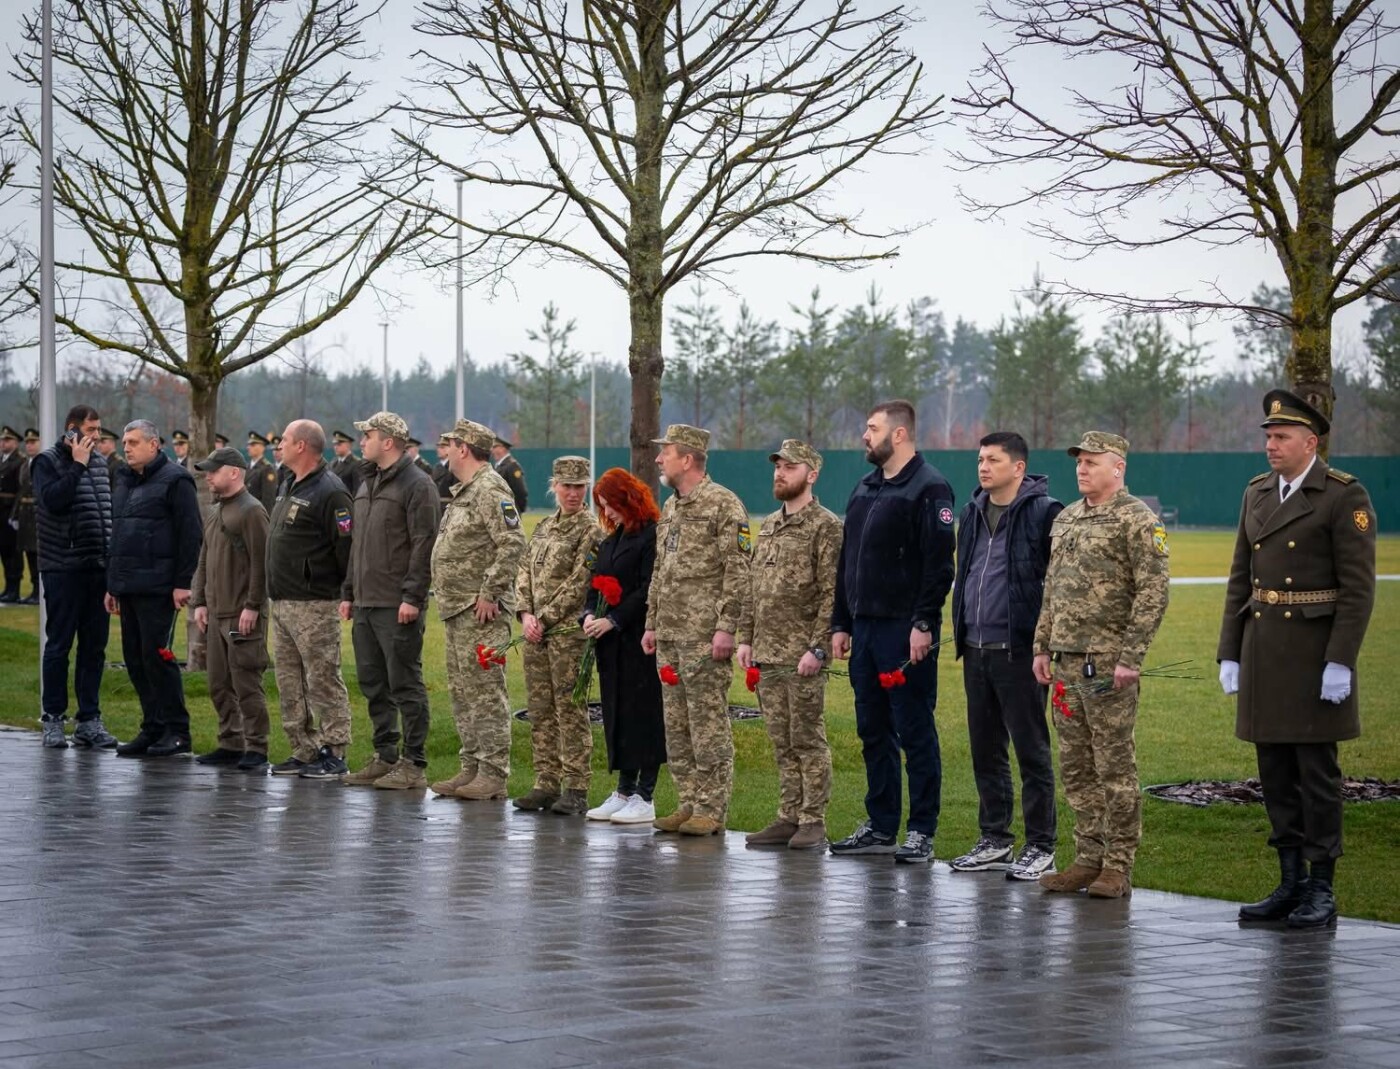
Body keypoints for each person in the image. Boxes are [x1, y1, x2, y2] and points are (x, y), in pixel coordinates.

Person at [1218, 390, 1377, 929]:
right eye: (1268, 436)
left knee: (1316, 775)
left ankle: (1321, 888)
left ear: (1311, 443)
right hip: (1264, 651)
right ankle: (1289, 882)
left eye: (1282, 437)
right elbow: (1240, 577)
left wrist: (1341, 661)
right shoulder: (1257, 492)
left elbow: (1358, 589)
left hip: (1313, 657)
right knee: (1275, 772)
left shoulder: (1342, 495)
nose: (1271, 445)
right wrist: (1230, 651)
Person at [1033, 431, 1170, 899]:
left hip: (1109, 664)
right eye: (1079, 461)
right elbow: (1052, 588)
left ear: (1118, 467)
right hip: (1066, 663)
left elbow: (1153, 592)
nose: (1082, 468)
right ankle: (1087, 858)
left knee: (1114, 767)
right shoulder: (1068, 517)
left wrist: (1131, 657)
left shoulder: (1137, 519)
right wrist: (1041, 647)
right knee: (1076, 767)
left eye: (1092, 461)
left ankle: (1117, 866)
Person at [829, 401, 956, 863]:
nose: (865, 436)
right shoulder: (865, 486)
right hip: (863, 629)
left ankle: (921, 830)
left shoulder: (930, 487)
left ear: (898, 434)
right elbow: (848, 560)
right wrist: (841, 622)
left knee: (914, 729)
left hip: (904, 632)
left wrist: (923, 622)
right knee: (873, 730)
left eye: (872, 428)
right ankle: (881, 825)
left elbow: (939, 565)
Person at [949, 431, 1063, 881]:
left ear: (1018, 467)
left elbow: (1057, 585)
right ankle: (995, 839)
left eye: (993, 460)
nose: (983, 467)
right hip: (976, 648)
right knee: (986, 750)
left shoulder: (1045, 512)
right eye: (980, 459)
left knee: (1031, 751)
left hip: (1020, 651)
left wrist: (1044, 643)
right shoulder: (971, 511)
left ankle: (1042, 846)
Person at [642, 424, 751, 836]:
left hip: (704, 636)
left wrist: (726, 627)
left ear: (687, 460)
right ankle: (688, 801)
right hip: (670, 634)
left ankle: (711, 807)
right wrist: (651, 622)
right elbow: (661, 569)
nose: (658, 459)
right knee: (677, 726)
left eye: (666, 452)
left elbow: (738, 571)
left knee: (707, 724)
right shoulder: (671, 506)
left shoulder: (724, 504)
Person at [736, 440, 843, 851]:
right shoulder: (769, 525)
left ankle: (813, 820)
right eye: (778, 467)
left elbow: (831, 593)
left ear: (811, 475)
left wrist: (818, 648)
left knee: (807, 740)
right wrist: (746, 638)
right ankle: (788, 815)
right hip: (767, 653)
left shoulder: (825, 526)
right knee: (781, 741)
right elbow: (753, 587)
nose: (780, 473)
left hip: (802, 655)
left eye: (790, 467)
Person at [427, 419, 528, 802]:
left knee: (485, 692)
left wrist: (490, 592)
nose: (446, 452)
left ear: (464, 449)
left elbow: (512, 542)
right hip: (458, 608)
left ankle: (493, 773)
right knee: (463, 691)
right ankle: (471, 765)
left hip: (480, 610)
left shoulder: (490, 488)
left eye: (450, 445)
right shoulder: (467, 490)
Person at [339, 411, 438, 790]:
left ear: (389, 442)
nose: (362, 441)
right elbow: (358, 544)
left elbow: (424, 545)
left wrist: (412, 596)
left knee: (404, 683)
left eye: (369, 435)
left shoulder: (417, 485)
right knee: (373, 683)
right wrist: (349, 592)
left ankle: (414, 763)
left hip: (397, 604)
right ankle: (385, 755)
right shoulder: (368, 481)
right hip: (366, 601)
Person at [108, 420, 203, 757]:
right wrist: (112, 584)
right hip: (129, 585)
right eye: (124, 442)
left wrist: (182, 583)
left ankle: (177, 731)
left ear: (153, 444)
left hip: (160, 587)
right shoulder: (123, 479)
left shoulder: (176, 480)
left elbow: (191, 534)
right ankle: (153, 726)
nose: (126, 448)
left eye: (133, 442)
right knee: (134, 659)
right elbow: (119, 534)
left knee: (157, 657)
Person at [266, 420, 356, 780]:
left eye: (285, 440)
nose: (279, 445)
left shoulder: (330, 491)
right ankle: (303, 749)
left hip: (314, 603)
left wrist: (342, 591)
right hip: (283, 600)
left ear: (302, 446)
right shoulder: (289, 483)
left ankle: (335, 751)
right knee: (289, 682)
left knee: (322, 677)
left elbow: (345, 548)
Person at [513, 456, 600, 815]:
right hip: (536, 633)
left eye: (579, 486)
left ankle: (576, 786)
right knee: (540, 709)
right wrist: (525, 613)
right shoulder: (545, 526)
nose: (573, 493)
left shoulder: (591, 530)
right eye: (566, 486)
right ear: (555, 487)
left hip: (566, 634)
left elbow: (581, 582)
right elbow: (524, 570)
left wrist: (544, 618)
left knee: (570, 709)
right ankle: (545, 782)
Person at [583, 468, 667, 825]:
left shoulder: (651, 536)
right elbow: (596, 582)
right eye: (602, 506)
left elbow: (648, 587)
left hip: (638, 639)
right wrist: (589, 614)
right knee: (619, 714)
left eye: (611, 505)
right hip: (610, 644)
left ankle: (644, 795)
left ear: (628, 500)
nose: (608, 513)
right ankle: (623, 789)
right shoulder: (611, 540)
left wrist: (615, 619)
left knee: (643, 715)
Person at [31, 406, 117, 749]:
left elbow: (105, 512)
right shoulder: (46, 462)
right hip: (63, 567)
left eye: (98, 429)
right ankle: (53, 718)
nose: (97, 435)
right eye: (91, 429)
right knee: (59, 645)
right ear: (72, 429)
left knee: (94, 647)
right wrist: (77, 465)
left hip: (97, 567)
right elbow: (52, 501)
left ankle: (89, 721)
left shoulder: (100, 463)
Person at [189, 447, 271, 770]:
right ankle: (231, 742)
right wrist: (199, 602)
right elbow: (204, 559)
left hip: (241, 614)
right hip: (216, 613)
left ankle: (257, 747)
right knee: (218, 683)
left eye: (214, 470)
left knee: (246, 683)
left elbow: (261, 564)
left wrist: (253, 605)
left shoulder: (252, 511)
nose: (208, 476)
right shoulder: (215, 511)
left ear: (234, 472)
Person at [11, 429, 42, 604]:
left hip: (38, 513)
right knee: (29, 554)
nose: (29, 446)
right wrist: (14, 514)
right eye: (27, 443)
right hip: (25, 514)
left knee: (38, 554)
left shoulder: (45, 462)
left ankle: (39, 591)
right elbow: (20, 492)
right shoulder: (25, 465)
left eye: (33, 442)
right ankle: (34, 590)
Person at [0, 425, 24, 602]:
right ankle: (8, 587)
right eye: (2, 440)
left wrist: (15, 514)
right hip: (1, 511)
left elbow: (21, 490)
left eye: (7, 440)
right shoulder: (2, 460)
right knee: (3, 550)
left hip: (10, 510)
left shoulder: (20, 461)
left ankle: (14, 588)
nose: (3, 443)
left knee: (13, 552)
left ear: (16, 443)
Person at [492, 437, 529, 513]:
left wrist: (517, 509)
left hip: (509, 511)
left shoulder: (512, 466)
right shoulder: (499, 466)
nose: (492, 450)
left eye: (495, 447)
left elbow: (520, 491)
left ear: (503, 448)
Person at [246, 431, 279, 512]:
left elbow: (268, 499)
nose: (248, 447)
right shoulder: (247, 467)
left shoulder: (267, 469)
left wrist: (264, 517)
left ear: (262, 448)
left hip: (257, 513)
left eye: (253, 445)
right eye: (248, 445)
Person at [328, 430, 363, 497]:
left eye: (339, 444)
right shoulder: (333, 463)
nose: (336, 447)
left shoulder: (356, 463)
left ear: (348, 445)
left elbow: (357, 489)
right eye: (335, 444)